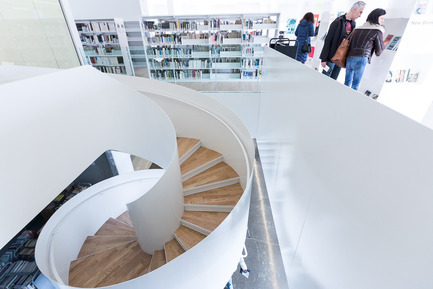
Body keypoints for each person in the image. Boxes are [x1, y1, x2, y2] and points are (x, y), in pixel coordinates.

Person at [319, 1, 366, 79]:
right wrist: (324, 59)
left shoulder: (353, 24)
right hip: (331, 57)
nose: (360, 15)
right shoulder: (337, 22)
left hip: (341, 58)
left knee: (334, 79)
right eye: (360, 12)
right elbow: (328, 41)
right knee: (325, 78)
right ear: (354, 9)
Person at [344, 8, 386, 91]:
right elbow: (379, 51)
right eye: (381, 18)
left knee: (346, 83)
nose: (382, 21)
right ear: (376, 17)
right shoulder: (377, 31)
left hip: (349, 57)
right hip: (361, 58)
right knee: (355, 85)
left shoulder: (357, 29)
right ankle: (350, 102)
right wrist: (384, 44)